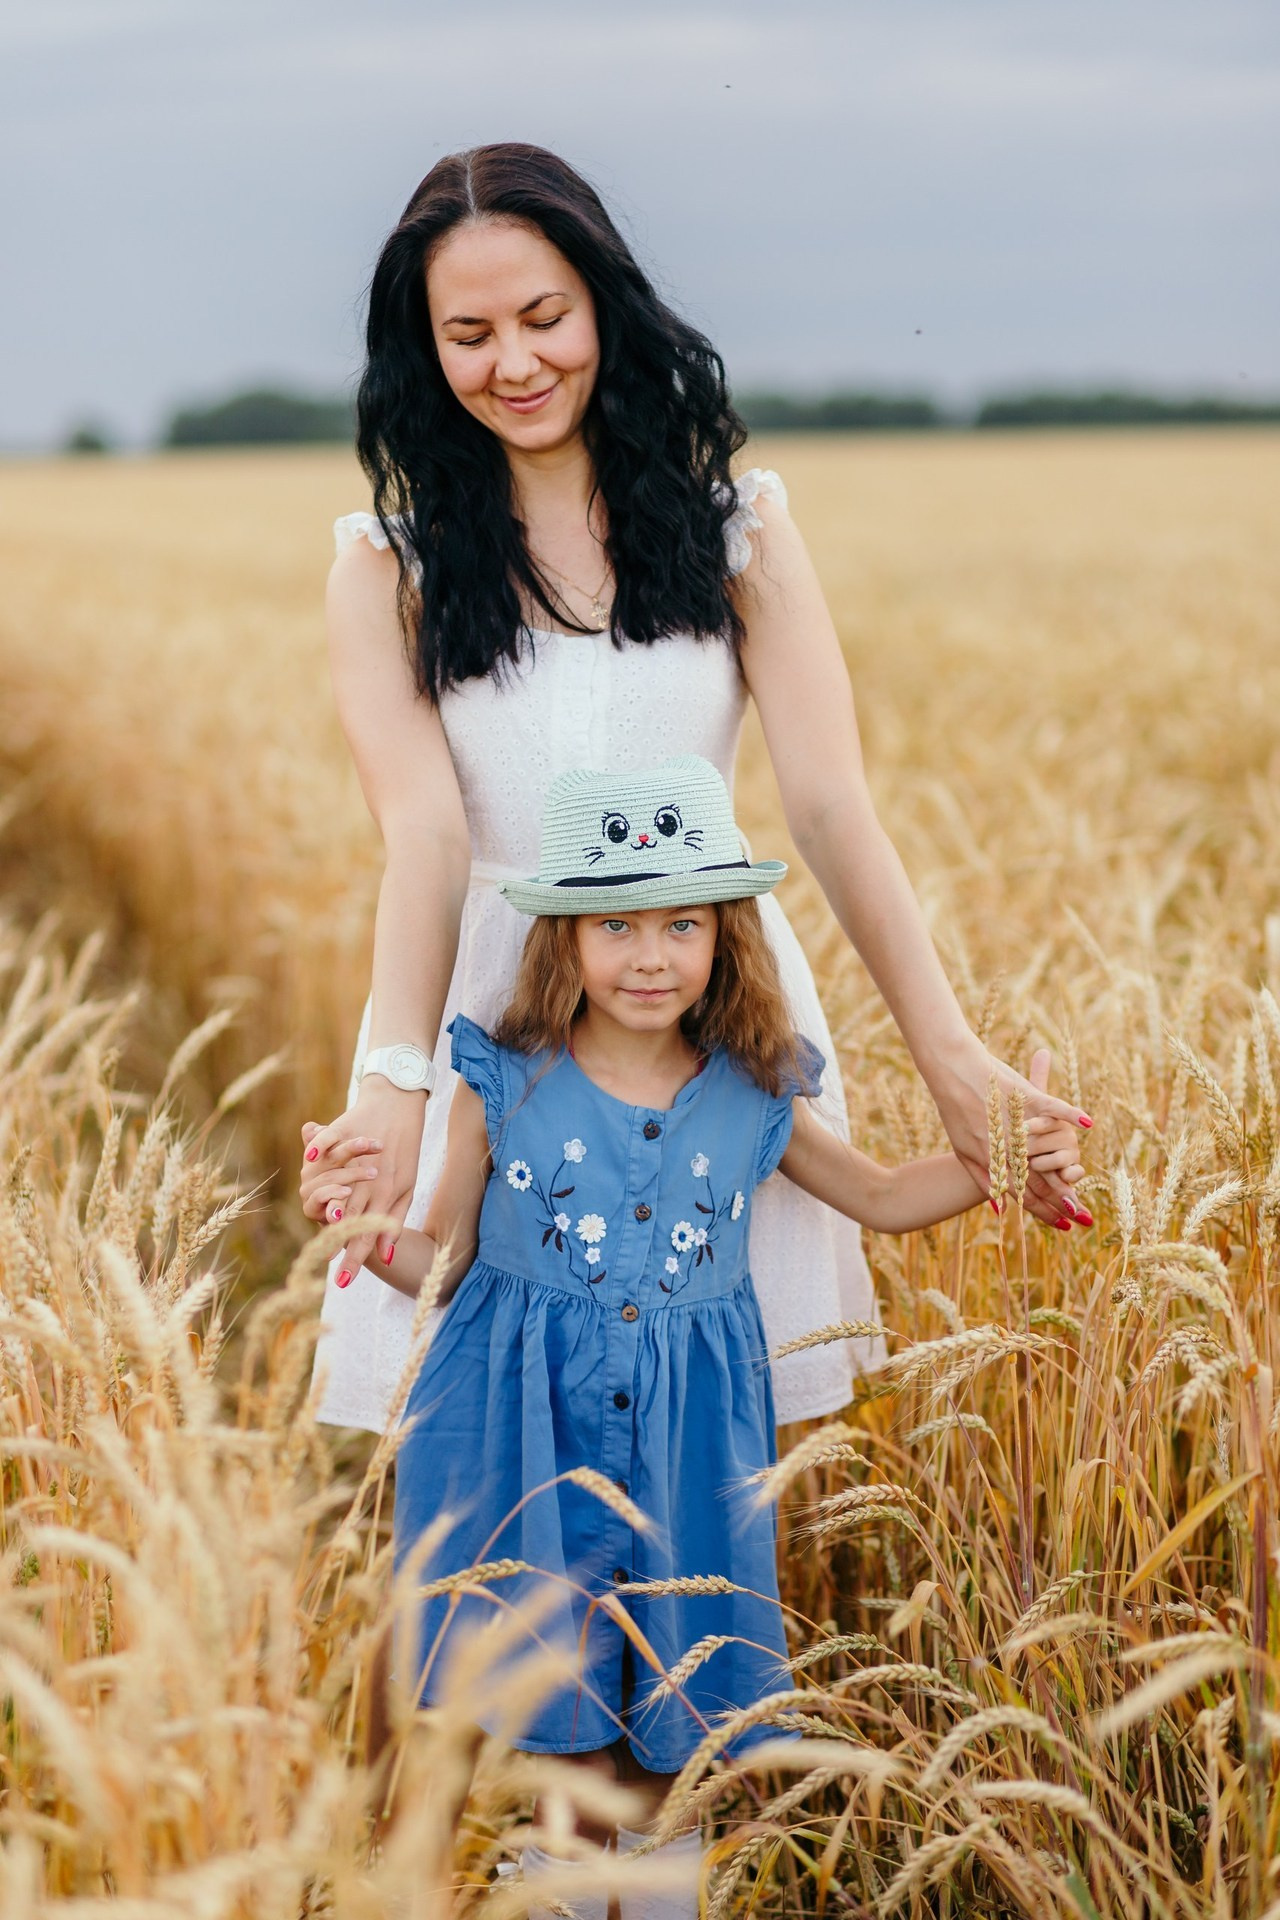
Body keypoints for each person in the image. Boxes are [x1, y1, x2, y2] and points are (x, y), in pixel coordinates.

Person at [301, 141, 1092, 1450]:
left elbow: (832, 808)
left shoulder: (738, 530)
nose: (515, 362)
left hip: (702, 995)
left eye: (546, 317)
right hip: (491, 1004)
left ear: (606, 303)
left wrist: (953, 1060)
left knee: (693, 1420)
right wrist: (396, 1078)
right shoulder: (385, 569)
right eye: (470, 333)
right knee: (492, 1429)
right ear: (421, 351)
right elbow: (428, 840)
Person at [301, 758, 1083, 1917]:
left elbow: (875, 1192)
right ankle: (560, 1889)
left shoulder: (754, 1089)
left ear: (728, 938)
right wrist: (368, 1235)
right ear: (560, 937)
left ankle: (666, 1891)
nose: (651, 955)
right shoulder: (499, 1078)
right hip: (525, 1426)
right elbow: (448, 1264)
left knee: (674, 1695)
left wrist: (1006, 1165)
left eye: (682, 923)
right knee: (555, 1703)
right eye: (614, 923)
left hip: (688, 1436)